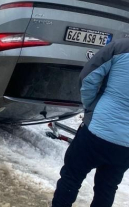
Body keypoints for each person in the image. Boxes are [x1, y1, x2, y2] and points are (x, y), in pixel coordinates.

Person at [52, 38, 129, 207]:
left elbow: (88, 77)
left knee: (71, 178)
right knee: (107, 188)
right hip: (125, 145)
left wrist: (89, 107)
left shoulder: (120, 47)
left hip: (96, 130)